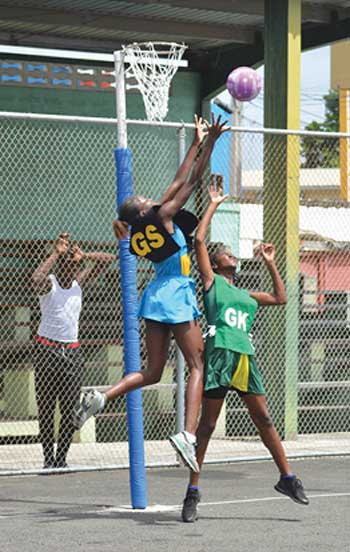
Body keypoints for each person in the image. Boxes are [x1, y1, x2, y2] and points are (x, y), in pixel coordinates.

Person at [72, 114, 230, 473]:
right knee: (197, 365)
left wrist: (195, 140)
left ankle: (103, 395)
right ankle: (187, 436)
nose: (148, 195)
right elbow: (187, 181)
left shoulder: (139, 230)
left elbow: (176, 180)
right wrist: (213, 143)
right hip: (175, 292)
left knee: (153, 371)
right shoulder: (164, 216)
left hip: (154, 294)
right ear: (143, 209)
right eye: (143, 197)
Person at [181, 185, 309, 522]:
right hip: (220, 355)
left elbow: (281, 298)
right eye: (223, 251)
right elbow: (198, 241)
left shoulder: (246, 295)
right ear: (218, 261)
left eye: (229, 252)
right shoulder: (212, 283)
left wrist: (270, 263)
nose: (228, 253)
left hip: (244, 359)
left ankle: (287, 478)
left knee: (264, 419)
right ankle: (193, 491)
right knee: (207, 427)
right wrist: (212, 205)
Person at [32, 233, 116, 469]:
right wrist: (56, 253)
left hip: (72, 352)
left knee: (70, 408)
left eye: (74, 264)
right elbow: (35, 278)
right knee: (47, 407)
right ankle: (49, 459)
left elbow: (108, 259)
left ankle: (62, 459)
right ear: (59, 266)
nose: (70, 268)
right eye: (66, 264)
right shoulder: (51, 284)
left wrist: (85, 255)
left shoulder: (78, 283)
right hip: (47, 349)